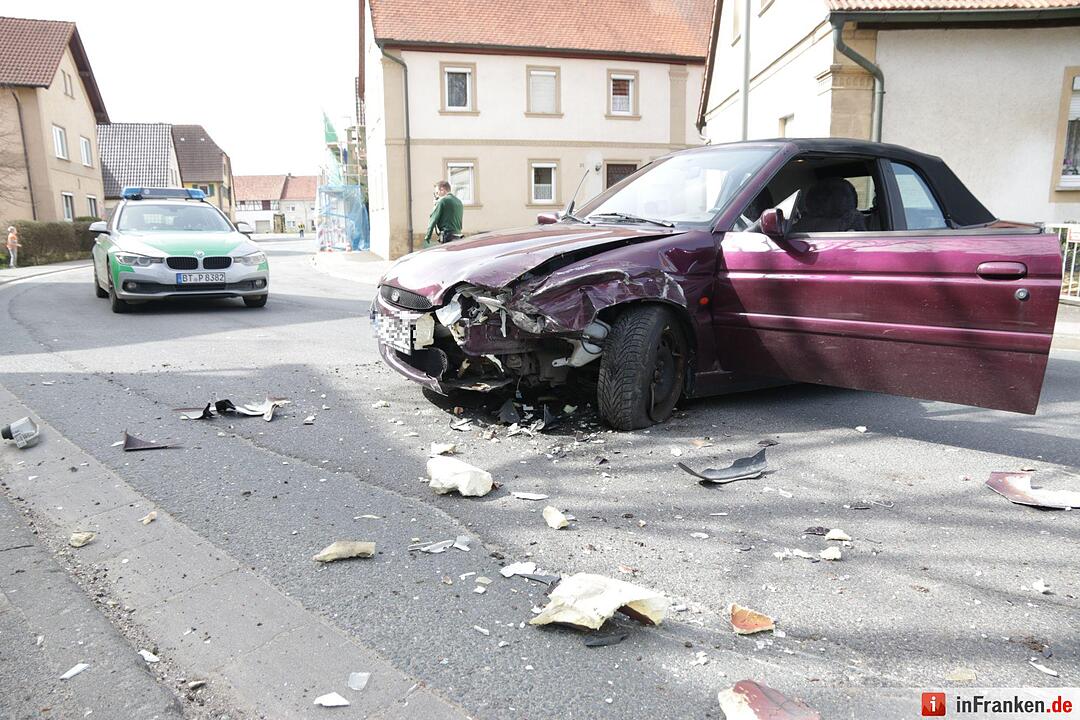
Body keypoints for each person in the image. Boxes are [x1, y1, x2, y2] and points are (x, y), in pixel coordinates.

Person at [423, 180, 463, 246]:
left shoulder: (443, 201)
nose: (437, 195)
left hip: (448, 237)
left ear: (442, 190)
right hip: (458, 236)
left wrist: (427, 237)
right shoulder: (459, 201)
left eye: (437, 192)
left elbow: (433, 219)